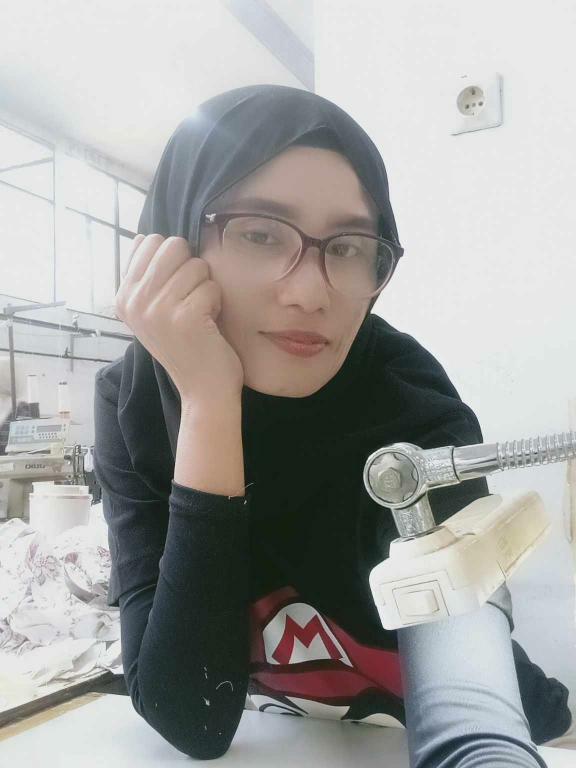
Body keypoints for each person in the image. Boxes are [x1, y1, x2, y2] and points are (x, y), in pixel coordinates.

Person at [93, 85, 572, 765]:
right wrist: (208, 403)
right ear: (171, 246)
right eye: (260, 233)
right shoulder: (134, 402)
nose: (310, 292)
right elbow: (190, 719)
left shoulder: (411, 412)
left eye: (348, 247)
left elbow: (473, 720)